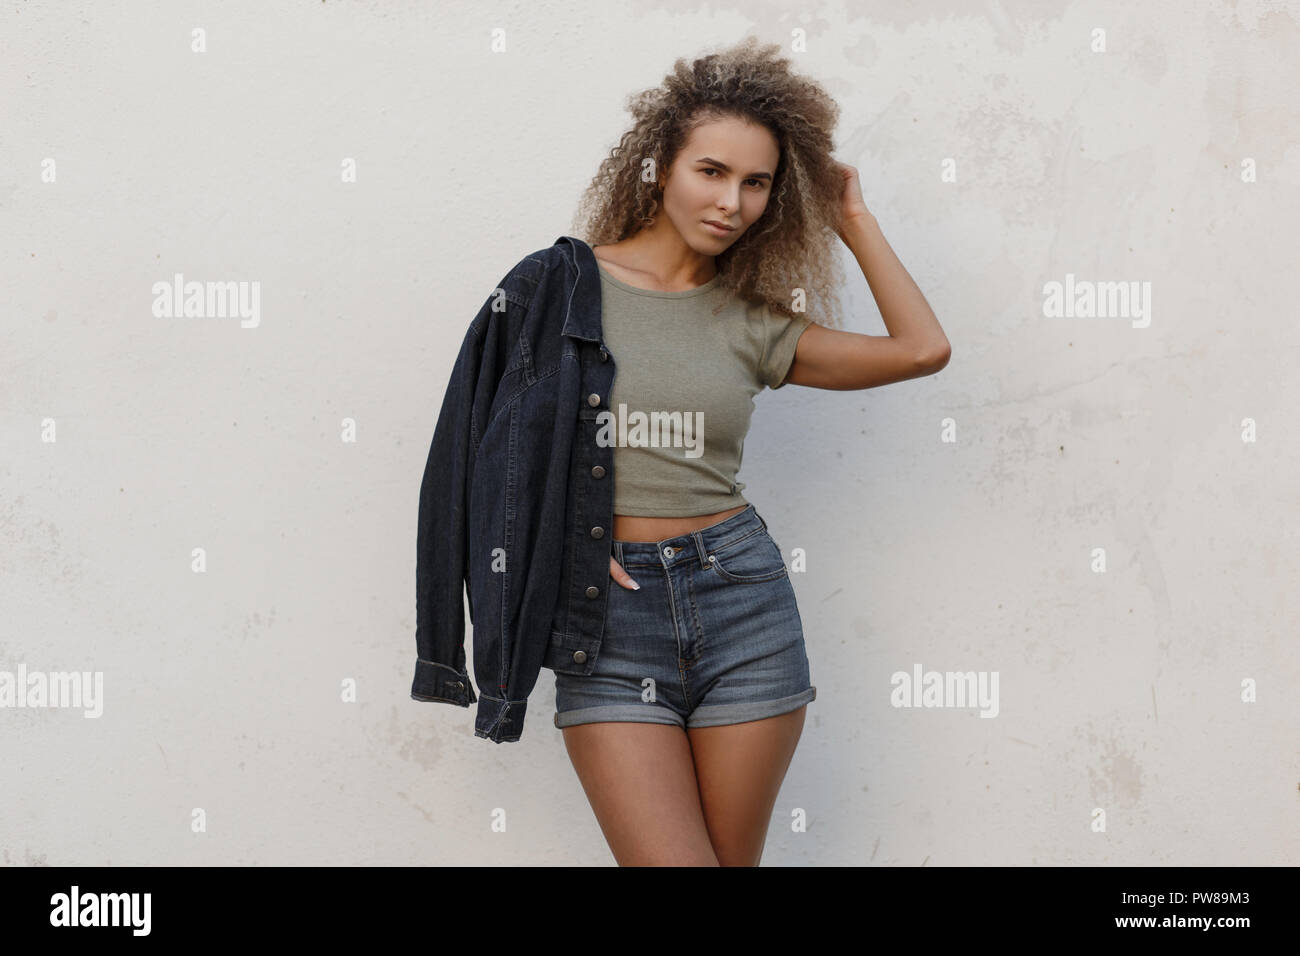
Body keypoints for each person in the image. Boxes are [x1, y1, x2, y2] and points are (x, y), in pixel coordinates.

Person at [551, 36, 951, 865]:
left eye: (756, 182)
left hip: (743, 604)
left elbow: (921, 350)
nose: (732, 200)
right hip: (608, 616)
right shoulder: (561, 289)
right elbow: (489, 454)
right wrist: (561, 551)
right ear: (659, 166)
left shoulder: (751, 322)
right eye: (711, 171)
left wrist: (853, 220)